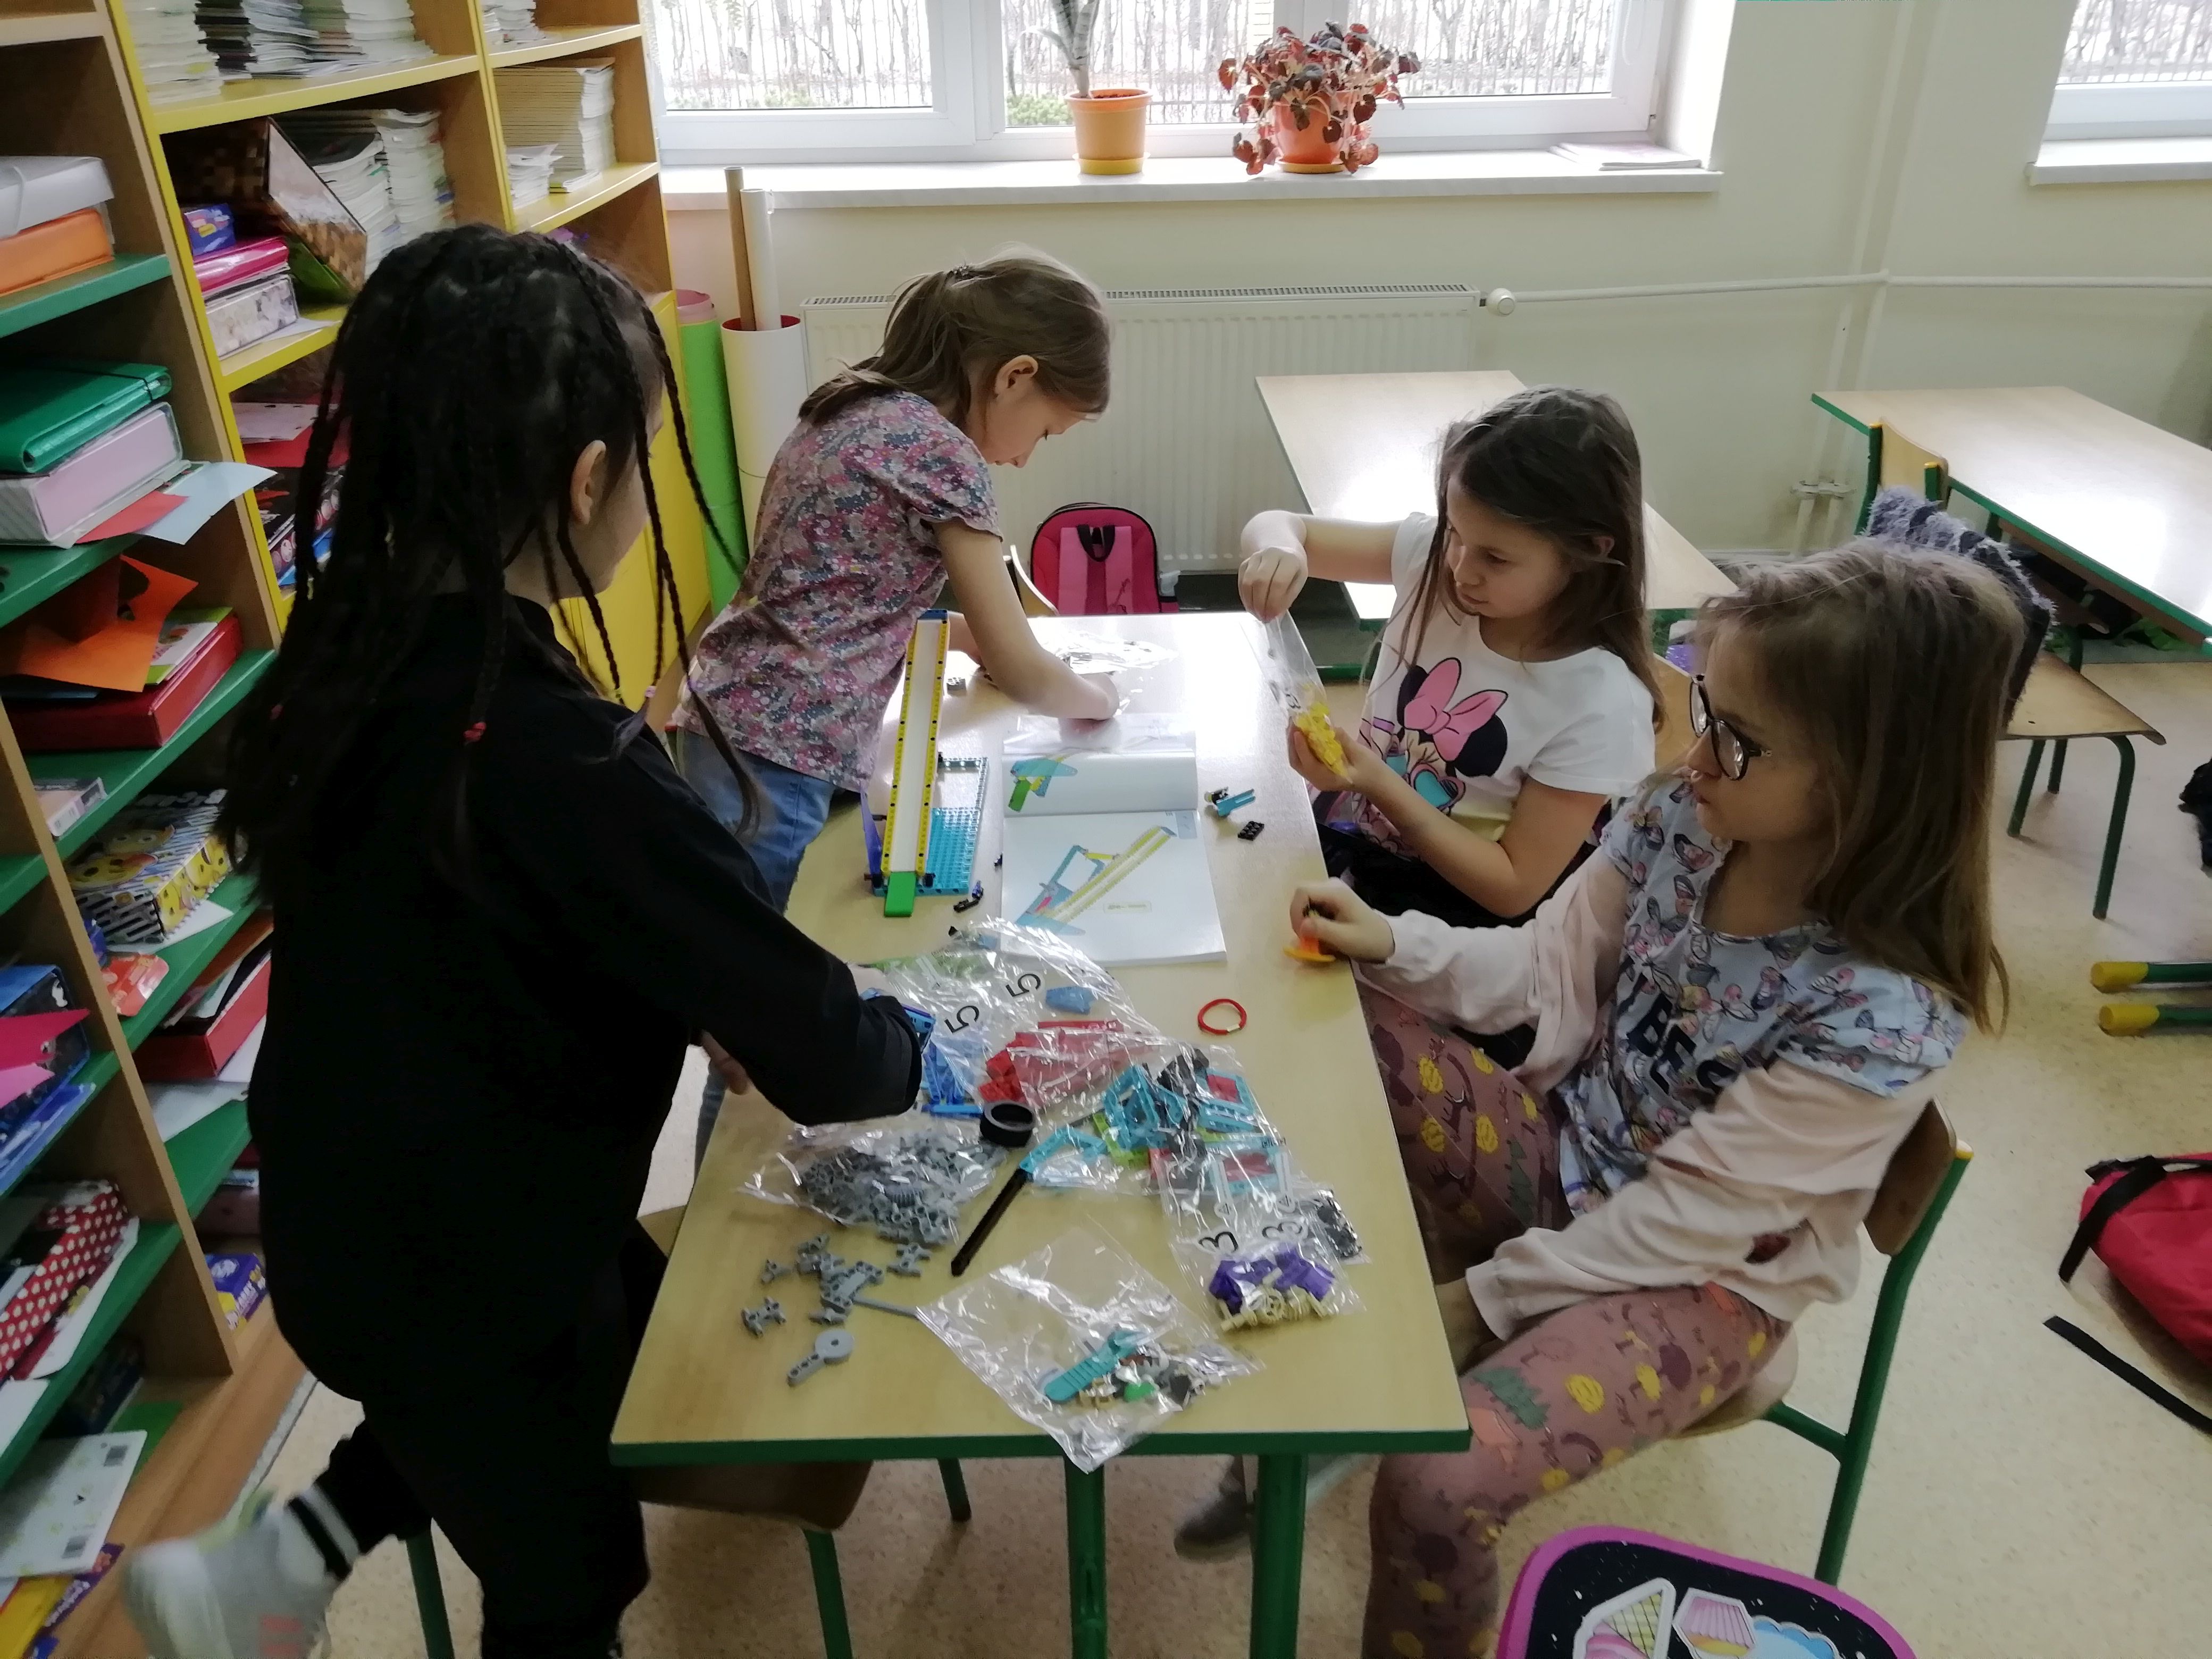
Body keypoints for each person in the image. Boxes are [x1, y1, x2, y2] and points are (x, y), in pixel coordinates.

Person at [122, 226, 920, 1659]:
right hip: (464, 1253)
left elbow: (489, 923)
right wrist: (906, 1034)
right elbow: (829, 1056)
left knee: (565, 1362)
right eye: (645, 458)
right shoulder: (568, 759)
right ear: (589, 480)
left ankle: (276, 1566)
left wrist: (680, 986)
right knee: (567, 1579)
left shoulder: (350, 650)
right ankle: (299, 1581)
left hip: (362, 1204)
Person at [1185, 543, 2024, 1658]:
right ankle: (1335, 1393)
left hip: (1704, 1277)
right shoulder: (1686, 819)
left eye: (1737, 737)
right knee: (1338, 1017)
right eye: (1703, 705)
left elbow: (1691, 1222)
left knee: (1438, 1483)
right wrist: (1390, 942)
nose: (1694, 755)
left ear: (1865, 778)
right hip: (1572, 1160)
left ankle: (1368, 1396)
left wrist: (1477, 1306)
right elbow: (1542, 970)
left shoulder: (1882, 1010)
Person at [674, 252, 1118, 1162]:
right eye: (1045, 430)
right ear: (1015, 376)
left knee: (740, 980)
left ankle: (727, 1177)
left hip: (723, 716)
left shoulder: (848, 408)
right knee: (759, 1012)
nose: (1024, 455)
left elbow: (835, 584)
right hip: (777, 756)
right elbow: (1025, 667)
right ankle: (716, 1213)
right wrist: (1096, 695)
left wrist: (954, 635)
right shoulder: (943, 457)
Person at [1237, 388, 1658, 936]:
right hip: (1364, 836)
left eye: (1496, 558)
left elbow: (1511, 888)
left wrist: (1375, 783)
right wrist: (1282, 551)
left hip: (1461, 921)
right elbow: (1278, 524)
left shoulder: (1602, 703)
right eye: (1454, 532)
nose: (1460, 568)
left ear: (1589, 552)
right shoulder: (1432, 559)